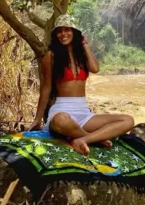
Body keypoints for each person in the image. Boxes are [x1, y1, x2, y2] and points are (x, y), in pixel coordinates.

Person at [28, 14, 135, 155]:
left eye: (67, 29)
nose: (63, 34)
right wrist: (37, 118)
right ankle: (95, 139)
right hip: (62, 110)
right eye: (59, 31)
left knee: (128, 120)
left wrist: (84, 44)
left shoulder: (82, 55)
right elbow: (46, 87)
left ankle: (83, 139)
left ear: (75, 32)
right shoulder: (51, 56)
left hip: (84, 114)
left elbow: (95, 68)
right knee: (61, 120)